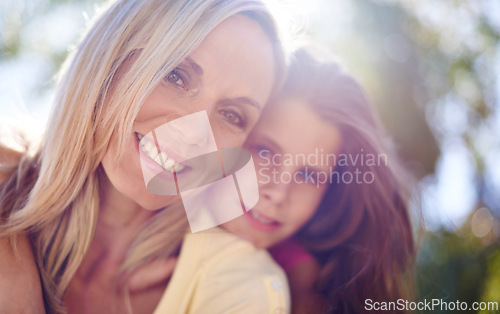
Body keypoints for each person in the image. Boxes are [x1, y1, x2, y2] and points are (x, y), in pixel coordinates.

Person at [0, 0, 289, 313]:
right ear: (112, 56)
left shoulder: (241, 289)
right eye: (176, 76)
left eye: (232, 115)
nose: (194, 133)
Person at [222, 49, 416, 313]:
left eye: (308, 175)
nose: (279, 192)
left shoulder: (299, 284)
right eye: (265, 151)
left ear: (329, 194)